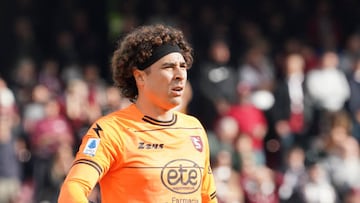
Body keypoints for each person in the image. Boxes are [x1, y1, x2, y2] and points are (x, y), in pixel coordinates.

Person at [58, 24, 218, 203]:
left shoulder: (194, 128)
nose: (180, 74)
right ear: (140, 77)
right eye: (168, 67)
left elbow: (208, 198)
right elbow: (72, 190)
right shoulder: (111, 130)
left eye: (183, 66)